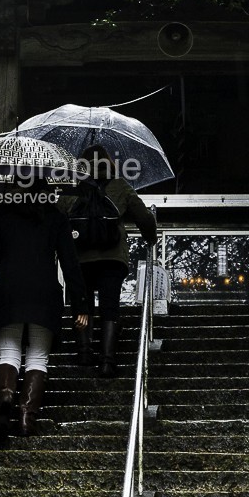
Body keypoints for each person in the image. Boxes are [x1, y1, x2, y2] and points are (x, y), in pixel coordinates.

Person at [0, 189, 90, 442]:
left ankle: (6, 396)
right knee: (37, 358)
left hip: (10, 290)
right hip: (44, 293)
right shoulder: (55, 216)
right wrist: (80, 304)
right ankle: (26, 418)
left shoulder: (3, 215)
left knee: (8, 353)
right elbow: (70, 262)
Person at [63, 150, 158, 376]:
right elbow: (143, 217)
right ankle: (107, 361)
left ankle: (84, 352)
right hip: (112, 257)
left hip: (80, 257)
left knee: (82, 302)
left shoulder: (73, 188)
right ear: (110, 164)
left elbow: (58, 216)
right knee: (110, 306)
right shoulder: (119, 186)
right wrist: (151, 236)